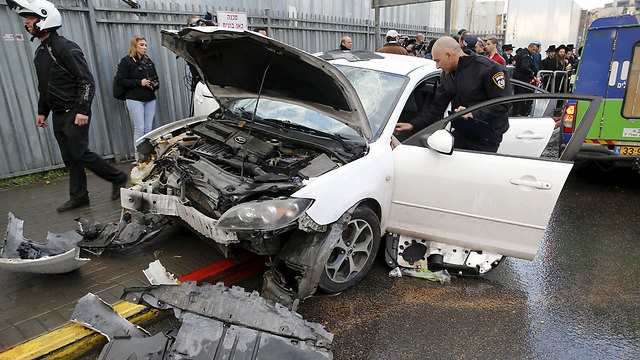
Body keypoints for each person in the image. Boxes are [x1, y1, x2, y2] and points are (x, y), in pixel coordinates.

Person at [8, 0, 127, 212]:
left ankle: (117, 176)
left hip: (74, 111)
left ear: (44, 20)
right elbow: (44, 86)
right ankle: (79, 197)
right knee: (70, 158)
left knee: (80, 152)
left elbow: (86, 81)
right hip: (58, 114)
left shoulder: (66, 47)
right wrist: (42, 112)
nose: (26, 22)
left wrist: (82, 109)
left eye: (31, 18)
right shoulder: (41, 51)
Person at [394, 36, 511, 152]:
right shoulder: (447, 74)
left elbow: (503, 103)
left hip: (486, 137)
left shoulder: (489, 69)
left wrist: (473, 113)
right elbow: (436, 108)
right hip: (462, 132)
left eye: (437, 61)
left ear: (449, 55)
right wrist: (412, 125)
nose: (437, 66)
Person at [115, 35, 160, 147]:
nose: (144, 47)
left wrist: (153, 85)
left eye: (145, 45)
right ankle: (139, 156)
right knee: (139, 128)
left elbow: (156, 79)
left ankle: (148, 154)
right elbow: (120, 80)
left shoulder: (148, 61)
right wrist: (140, 82)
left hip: (149, 98)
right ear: (134, 46)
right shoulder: (127, 61)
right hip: (135, 98)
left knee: (148, 129)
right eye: (141, 45)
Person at [512, 42, 539, 115]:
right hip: (522, 79)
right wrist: (531, 72)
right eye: (533, 50)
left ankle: (516, 111)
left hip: (517, 77)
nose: (534, 52)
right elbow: (524, 67)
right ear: (530, 48)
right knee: (521, 96)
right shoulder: (526, 55)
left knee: (517, 96)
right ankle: (518, 112)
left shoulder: (521, 52)